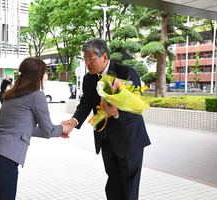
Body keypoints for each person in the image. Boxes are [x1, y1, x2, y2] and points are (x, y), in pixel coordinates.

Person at [63, 38, 151, 200]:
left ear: (104, 57)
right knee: (113, 184)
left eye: (91, 58)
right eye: (85, 58)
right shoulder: (88, 79)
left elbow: (136, 107)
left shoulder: (127, 73)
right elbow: (86, 103)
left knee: (129, 187)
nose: (87, 63)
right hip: (106, 138)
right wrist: (73, 121)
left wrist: (116, 113)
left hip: (129, 139)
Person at [0, 57, 72, 200]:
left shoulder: (12, 94)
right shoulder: (37, 95)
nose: (46, 76)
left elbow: (24, 128)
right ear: (38, 76)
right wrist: (63, 128)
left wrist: (58, 131)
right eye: (45, 73)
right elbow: (48, 130)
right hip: (3, 159)